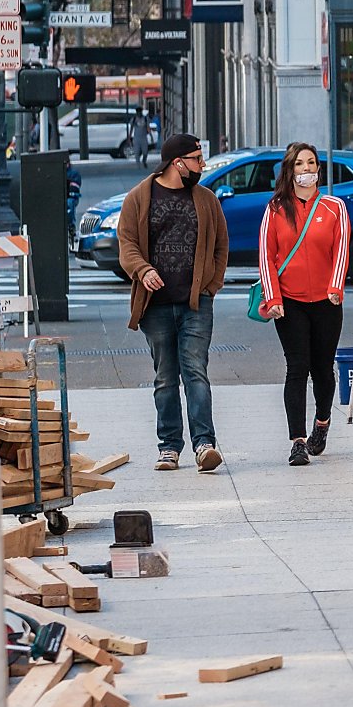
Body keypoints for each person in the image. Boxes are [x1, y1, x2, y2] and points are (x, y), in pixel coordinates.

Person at [120, 133, 231, 473]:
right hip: (155, 306)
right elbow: (127, 244)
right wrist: (143, 270)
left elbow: (221, 246)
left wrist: (211, 285)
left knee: (196, 372)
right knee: (165, 378)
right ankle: (169, 447)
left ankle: (204, 445)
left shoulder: (206, 199)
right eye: (197, 159)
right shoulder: (140, 197)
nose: (202, 165)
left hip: (195, 304)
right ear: (177, 162)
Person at [256, 143, 352, 468]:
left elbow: (341, 250)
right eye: (300, 163)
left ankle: (322, 423)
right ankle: (297, 441)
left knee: (322, 369)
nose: (307, 167)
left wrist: (336, 287)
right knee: (296, 368)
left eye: (311, 162)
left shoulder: (335, 206)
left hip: (327, 300)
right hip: (290, 302)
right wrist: (273, 298)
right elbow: (266, 257)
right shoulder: (275, 209)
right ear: (290, 170)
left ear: (318, 170)